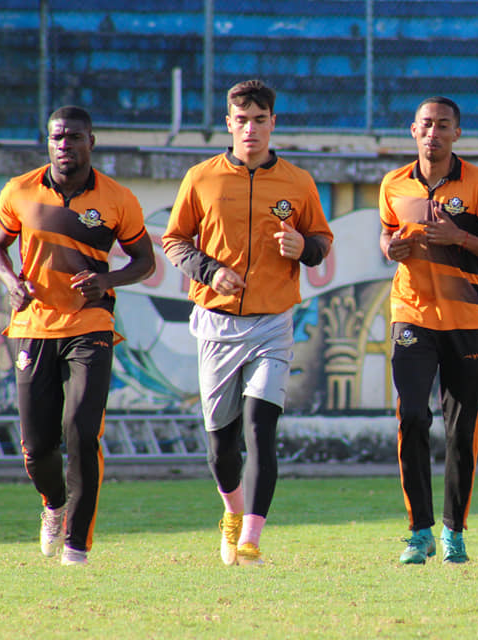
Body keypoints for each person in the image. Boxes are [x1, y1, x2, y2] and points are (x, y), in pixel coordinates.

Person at [162, 80, 333, 566]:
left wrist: (305, 247)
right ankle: (232, 513)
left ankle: (252, 538)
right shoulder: (201, 178)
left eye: (260, 120)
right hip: (216, 325)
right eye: (242, 120)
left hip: (273, 323)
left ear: (273, 122)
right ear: (229, 123)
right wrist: (210, 272)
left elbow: (321, 240)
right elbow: (174, 241)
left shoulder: (297, 182)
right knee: (221, 445)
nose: (251, 129)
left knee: (261, 428)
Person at [0, 106, 155, 566]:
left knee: (81, 432)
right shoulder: (19, 191)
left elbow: (145, 261)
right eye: (58, 137)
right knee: (38, 448)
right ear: (48, 141)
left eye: (74, 137)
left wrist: (108, 282)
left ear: (91, 142)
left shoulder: (118, 199)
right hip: (33, 327)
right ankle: (53, 506)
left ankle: (77, 548)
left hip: (90, 324)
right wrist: (10, 282)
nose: (65, 145)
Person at [379, 96, 478, 565]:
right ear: (412, 130)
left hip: (466, 321)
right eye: (425, 125)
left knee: (462, 433)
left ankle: (454, 531)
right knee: (413, 417)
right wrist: (392, 247)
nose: (433, 133)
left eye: (443, 125)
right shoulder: (394, 183)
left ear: (457, 132)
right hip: (412, 315)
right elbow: (386, 235)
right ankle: (419, 532)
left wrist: (459, 238)